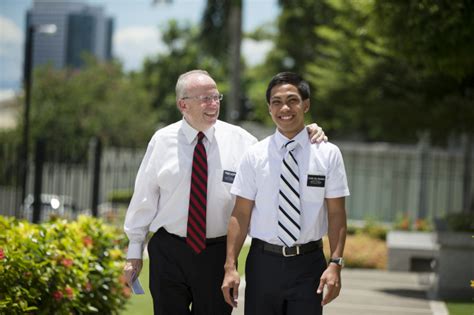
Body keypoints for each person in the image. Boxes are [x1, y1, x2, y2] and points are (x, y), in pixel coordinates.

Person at [123, 69, 327, 315]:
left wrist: (306, 132)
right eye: (204, 98)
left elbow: (278, 152)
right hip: (169, 251)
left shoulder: (243, 142)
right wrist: (134, 251)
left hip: (218, 255)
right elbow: (144, 198)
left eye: (215, 97)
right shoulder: (161, 140)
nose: (213, 104)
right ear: (182, 104)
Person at [221, 72, 349, 315]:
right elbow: (240, 213)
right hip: (263, 263)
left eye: (292, 100)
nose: (285, 108)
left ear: (306, 105)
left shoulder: (328, 154)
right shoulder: (254, 155)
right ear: (269, 108)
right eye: (277, 102)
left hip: (309, 265)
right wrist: (230, 266)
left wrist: (335, 264)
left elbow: (336, 213)